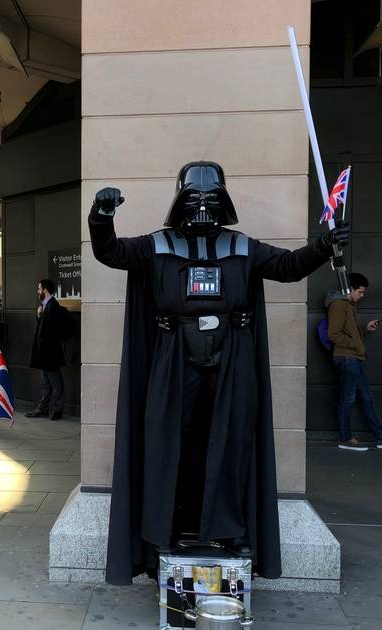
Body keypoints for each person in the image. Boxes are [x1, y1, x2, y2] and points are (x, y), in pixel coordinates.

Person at [88, 162, 350, 584]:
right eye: (194, 199)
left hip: (232, 360)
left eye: (211, 199)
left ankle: (230, 530)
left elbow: (286, 267)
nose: (203, 207)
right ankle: (167, 531)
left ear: (224, 202)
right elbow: (110, 252)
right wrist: (101, 216)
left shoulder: (241, 247)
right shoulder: (157, 246)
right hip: (174, 361)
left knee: (230, 440)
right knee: (170, 441)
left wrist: (323, 246)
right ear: (179, 202)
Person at [326, 273, 382, 452]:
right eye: (360, 292)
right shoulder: (339, 305)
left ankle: (381, 437)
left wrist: (365, 331)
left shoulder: (349, 306)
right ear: (350, 289)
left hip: (353, 357)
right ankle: (346, 438)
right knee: (349, 398)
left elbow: (348, 334)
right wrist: (355, 345)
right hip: (347, 358)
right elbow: (333, 334)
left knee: (366, 398)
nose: (362, 295)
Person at [25, 279, 72, 421]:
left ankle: (55, 411)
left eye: (39, 289)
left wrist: (41, 315)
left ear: (45, 290)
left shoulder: (53, 306)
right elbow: (44, 329)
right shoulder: (46, 306)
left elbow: (52, 332)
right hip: (45, 354)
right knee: (46, 383)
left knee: (56, 384)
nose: (37, 291)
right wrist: (39, 316)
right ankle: (43, 408)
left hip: (50, 354)